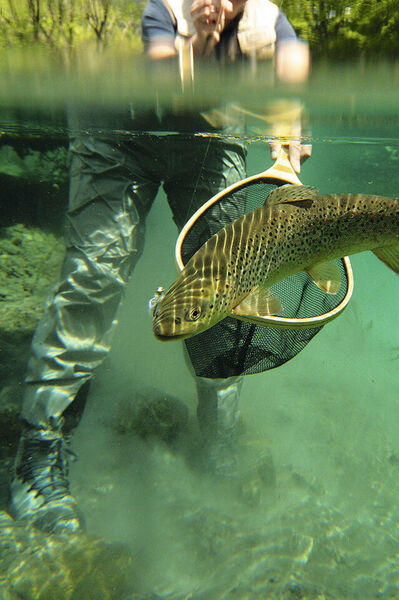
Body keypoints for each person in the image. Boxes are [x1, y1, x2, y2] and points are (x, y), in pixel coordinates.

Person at [9, 0, 311, 535]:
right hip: (113, 125)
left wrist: (288, 133)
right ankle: (40, 452)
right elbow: (161, 66)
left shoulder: (265, 17)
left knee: (228, 284)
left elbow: (289, 70)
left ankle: (219, 433)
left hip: (211, 136)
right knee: (94, 276)